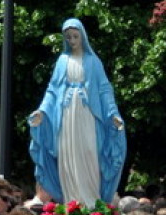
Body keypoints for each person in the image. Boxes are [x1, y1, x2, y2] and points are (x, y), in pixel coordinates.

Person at [29, 18, 126, 205]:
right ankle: (72, 203)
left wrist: (113, 114)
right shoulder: (62, 61)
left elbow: (104, 89)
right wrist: (42, 111)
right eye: (68, 37)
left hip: (88, 114)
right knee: (68, 156)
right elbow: (52, 89)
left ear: (82, 36)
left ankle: (91, 202)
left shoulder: (93, 61)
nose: (72, 41)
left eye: (75, 36)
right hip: (66, 115)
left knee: (90, 153)